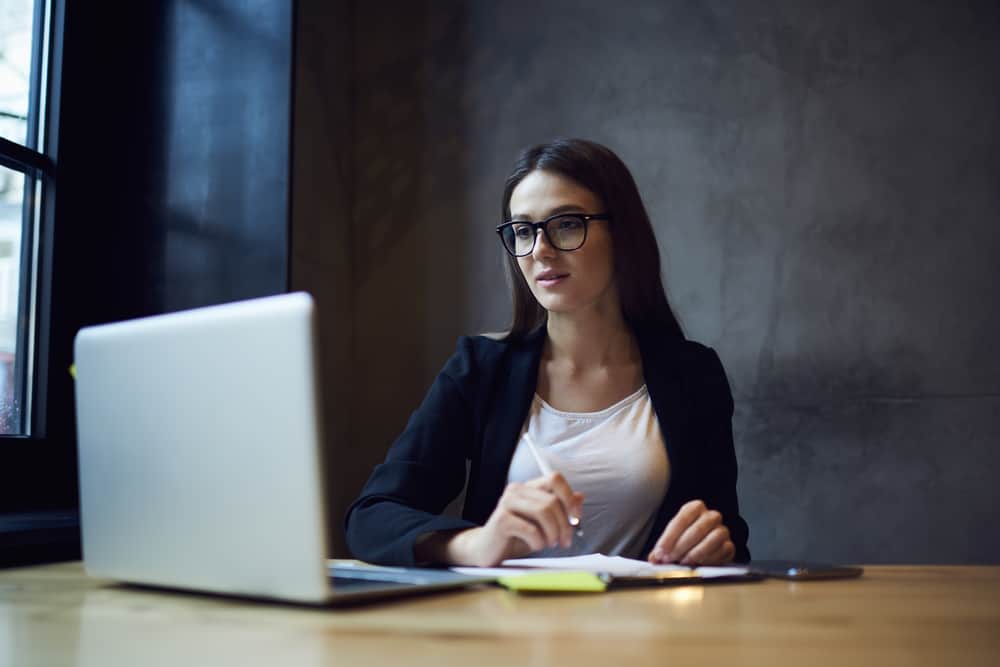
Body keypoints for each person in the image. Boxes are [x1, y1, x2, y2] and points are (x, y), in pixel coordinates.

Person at [345, 138, 750, 568]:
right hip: (504, 626)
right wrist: (477, 544)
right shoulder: (481, 369)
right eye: (522, 230)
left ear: (622, 233)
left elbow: (727, 538)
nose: (539, 250)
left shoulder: (693, 375)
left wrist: (714, 546)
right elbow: (371, 518)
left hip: (642, 628)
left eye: (566, 224)